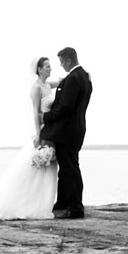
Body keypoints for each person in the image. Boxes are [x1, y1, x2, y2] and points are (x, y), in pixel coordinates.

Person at [0, 56, 59, 220]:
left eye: (50, 66)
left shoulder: (47, 84)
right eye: (47, 66)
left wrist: (83, 74)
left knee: (48, 169)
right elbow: (35, 112)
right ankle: (26, 204)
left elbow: (61, 81)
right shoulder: (36, 88)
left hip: (51, 131)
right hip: (43, 131)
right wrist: (38, 134)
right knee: (39, 169)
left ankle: (42, 204)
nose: (50, 68)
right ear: (39, 69)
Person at [40, 46, 93, 219]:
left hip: (67, 132)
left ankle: (76, 207)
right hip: (76, 130)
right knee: (66, 169)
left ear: (69, 60)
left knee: (70, 169)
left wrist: (46, 117)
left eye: (62, 62)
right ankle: (62, 202)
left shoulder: (73, 78)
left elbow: (65, 108)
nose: (61, 65)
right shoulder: (85, 77)